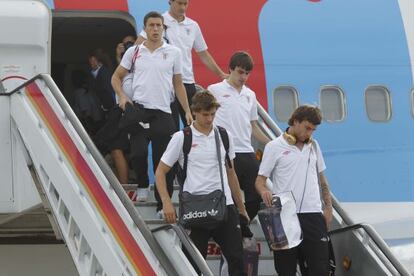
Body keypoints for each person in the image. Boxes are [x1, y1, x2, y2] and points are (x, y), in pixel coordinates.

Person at [155, 91, 248, 276]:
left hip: (225, 204)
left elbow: (231, 173)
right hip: (195, 206)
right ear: (195, 112)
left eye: (213, 114)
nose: (209, 118)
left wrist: (241, 208)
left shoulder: (224, 135)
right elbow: (160, 171)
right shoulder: (182, 137)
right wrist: (166, 202)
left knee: (237, 260)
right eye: (205, 114)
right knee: (193, 265)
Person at [111, 12, 192, 207]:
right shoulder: (134, 52)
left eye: (159, 26)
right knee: (138, 154)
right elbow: (116, 77)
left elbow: (179, 84)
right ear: (145, 29)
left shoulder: (174, 52)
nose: (155, 29)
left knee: (162, 160)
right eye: (151, 26)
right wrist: (122, 96)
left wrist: (187, 110)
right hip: (139, 110)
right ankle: (142, 184)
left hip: (164, 113)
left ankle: (161, 204)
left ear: (163, 28)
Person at [255, 105, 333, 276]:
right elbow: (260, 181)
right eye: (307, 128)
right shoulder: (274, 147)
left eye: (313, 130)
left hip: (312, 215)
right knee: (286, 270)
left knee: (320, 269)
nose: (309, 133)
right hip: (284, 217)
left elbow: (322, 180)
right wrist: (263, 192)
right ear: (295, 121)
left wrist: (328, 207)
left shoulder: (314, 146)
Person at [136, 0, 228, 130]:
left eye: (185, 3)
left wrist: (220, 74)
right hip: (166, 82)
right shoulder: (159, 22)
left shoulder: (193, 25)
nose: (183, 7)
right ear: (170, 2)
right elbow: (137, 47)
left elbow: (203, 54)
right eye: (179, 3)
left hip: (187, 81)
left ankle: (193, 150)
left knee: (194, 126)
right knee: (170, 128)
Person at [208, 51, 271, 225]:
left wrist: (273, 143)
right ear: (230, 69)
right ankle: (232, 230)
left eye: (247, 73)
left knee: (255, 198)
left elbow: (254, 126)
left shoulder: (250, 95)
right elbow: (205, 119)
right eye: (240, 72)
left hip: (246, 150)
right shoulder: (215, 90)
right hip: (224, 150)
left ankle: (238, 228)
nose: (243, 77)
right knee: (227, 195)